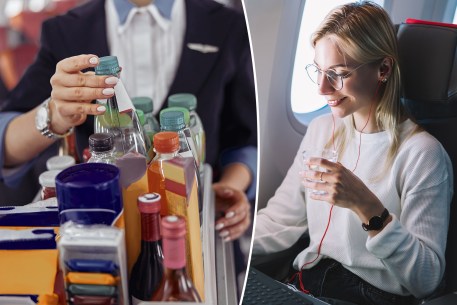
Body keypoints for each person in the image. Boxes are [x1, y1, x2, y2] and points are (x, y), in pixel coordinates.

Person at [0, 0, 256, 245]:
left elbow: (246, 139)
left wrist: (229, 187)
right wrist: (54, 115)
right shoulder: (65, 30)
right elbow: (7, 144)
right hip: (99, 223)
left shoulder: (227, 25)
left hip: (195, 218)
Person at [252, 2, 453, 305]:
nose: (322, 89)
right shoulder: (321, 130)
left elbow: (425, 279)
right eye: (318, 71)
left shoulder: (423, 156)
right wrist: (223, 242)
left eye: (338, 73)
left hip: (369, 297)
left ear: (383, 69)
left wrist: (367, 206)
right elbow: (281, 221)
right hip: (307, 284)